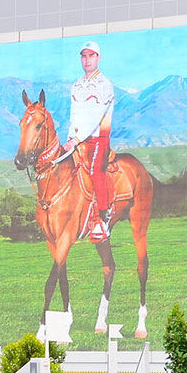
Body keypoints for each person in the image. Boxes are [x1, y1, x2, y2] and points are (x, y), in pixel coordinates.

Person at [62, 40, 115, 241]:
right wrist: (70, 139)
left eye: (91, 55)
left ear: (98, 58)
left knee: (94, 172)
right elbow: (73, 115)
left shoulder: (105, 85)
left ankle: (103, 218)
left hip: (98, 138)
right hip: (77, 138)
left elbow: (95, 118)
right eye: (84, 56)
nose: (87, 60)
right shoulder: (76, 85)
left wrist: (75, 139)